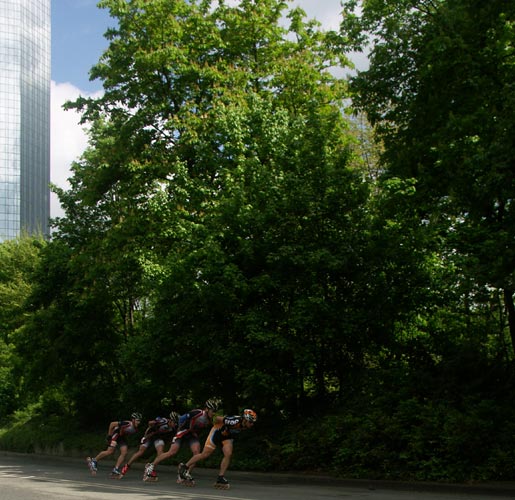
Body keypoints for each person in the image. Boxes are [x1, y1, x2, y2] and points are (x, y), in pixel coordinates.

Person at [143, 398, 221, 482]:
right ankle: (151, 466)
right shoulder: (198, 413)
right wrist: (179, 429)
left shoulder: (209, 420)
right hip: (183, 432)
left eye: (215, 411)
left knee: (197, 453)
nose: (214, 413)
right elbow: (181, 418)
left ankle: (184, 473)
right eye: (212, 411)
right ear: (206, 409)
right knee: (172, 452)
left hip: (191, 434)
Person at [178, 408, 257, 489]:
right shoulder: (233, 421)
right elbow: (217, 418)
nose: (252, 424)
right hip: (217, 432)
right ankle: (184, 467)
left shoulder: (245, 424)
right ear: (245, 419)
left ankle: (220, 477)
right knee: (205, 454)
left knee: (228, 453)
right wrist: (215, 422)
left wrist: (227, 430)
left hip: (227, 436)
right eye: (251, 422)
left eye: (253, 422)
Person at [119, 411, 179, 479]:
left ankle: (150, 469)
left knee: (161, 454)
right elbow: (149, 423)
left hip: (157, 438)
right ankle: (127, 466)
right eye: (175, 423)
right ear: (171, 420)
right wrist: (154, 423)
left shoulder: (172, 428)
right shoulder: (163, 421)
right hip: (148, 436)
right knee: (140, 452)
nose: (175, 425)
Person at [86, 412, 142, 477]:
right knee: (110, 451)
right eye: (137, 420)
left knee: (124, 452)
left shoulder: (136, 429)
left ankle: (115, 469)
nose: (139, 422)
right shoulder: (127, 423)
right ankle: (94, 460)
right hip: (115, 435)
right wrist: (109, 435)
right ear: (133, 420)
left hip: (121, 437)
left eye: (140, 421)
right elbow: (112, 424)